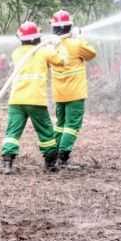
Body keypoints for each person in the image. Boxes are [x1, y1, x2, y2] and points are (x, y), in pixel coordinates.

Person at [0, 21, 64, 175]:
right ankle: (50, 163)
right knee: (46, 132)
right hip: (35, 100)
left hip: (16, 100)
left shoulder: (16, 53)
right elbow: (61, 62)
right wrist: (55, 46)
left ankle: (7, 163)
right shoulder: (45, 52)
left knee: (12, 132)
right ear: (37, 37)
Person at [50, 9, 97, 169]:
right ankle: (63, 157)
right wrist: (80, 37)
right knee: (72, 125)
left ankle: (54, 154)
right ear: (70, 26)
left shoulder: (51, 46)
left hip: (59, 93)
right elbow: (92, 54)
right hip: (75, 93)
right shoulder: (76, 43)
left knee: (60, 124)